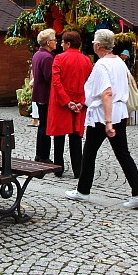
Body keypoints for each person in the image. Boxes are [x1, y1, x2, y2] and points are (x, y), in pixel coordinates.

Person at [64, 29, 138, 208]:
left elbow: (106, 92)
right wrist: (84, 104)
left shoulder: (102, 65)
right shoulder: (119, 62)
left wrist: (108, 122)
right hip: (118, 111)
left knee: (90, 152)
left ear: (97, 45)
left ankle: (83, 191)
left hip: (104, 115)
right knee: (122, 153)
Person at [47, 31, 91, 178]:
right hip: (79, 103)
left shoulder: (59, 59)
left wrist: (66, 101)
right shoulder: (86, 61)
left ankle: (58, 168)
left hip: (61, 104)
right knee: (75, 137)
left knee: (59, 137)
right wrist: (82, 102)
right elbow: (90, 84)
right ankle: (78, 169)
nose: (61, 44)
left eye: (62, 42)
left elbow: (56, 82)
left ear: (68, 44)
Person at [31, 28, 56, 164]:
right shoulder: (47, 57)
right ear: (48, 42)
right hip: (46, 95)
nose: (56, 42)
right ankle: (43, 156)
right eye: (54, 40)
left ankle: (39, 154)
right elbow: (49, 77)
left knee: (42, 125)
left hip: (39, 93)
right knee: (45, 126)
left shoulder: (38, 54)